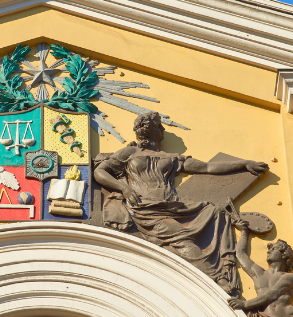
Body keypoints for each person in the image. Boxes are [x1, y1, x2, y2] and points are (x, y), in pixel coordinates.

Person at [93, 111, 267, 295]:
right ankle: (217, 279)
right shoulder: (129, 152)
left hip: (172, 206)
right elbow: (100, 172)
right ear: (149, 128)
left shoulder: (170, 157)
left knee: (215, 212)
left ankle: (223, 268)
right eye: (159, 125)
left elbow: (207, 167)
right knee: (181, 236)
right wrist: (124, 188)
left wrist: (243, 164)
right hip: (145, 208)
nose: (162, 129)